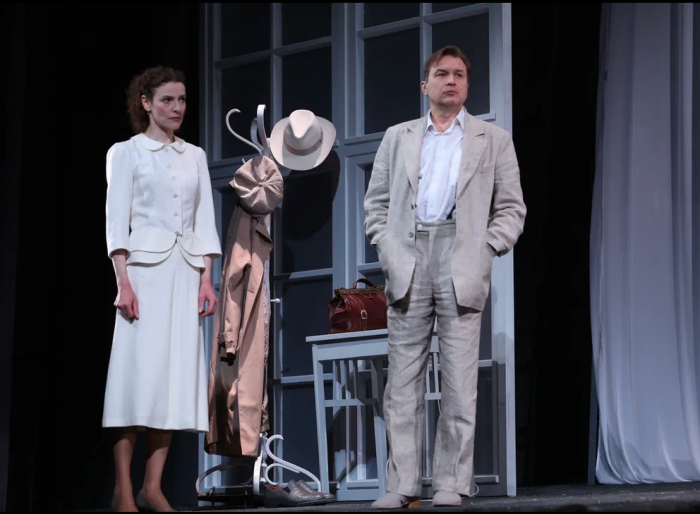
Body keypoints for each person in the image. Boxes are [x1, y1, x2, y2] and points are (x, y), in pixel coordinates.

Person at [364, 45, 526, 509]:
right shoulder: (398, 136)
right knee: (403, 381)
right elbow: (376, 203)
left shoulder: (492, 139)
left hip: (461, 256)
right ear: (425, 85)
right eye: (441, 74)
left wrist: (485, 248)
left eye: (458, 74)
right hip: (409, 255)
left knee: (459, 381)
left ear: (467, 85)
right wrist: (388, 248)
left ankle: (450, 482)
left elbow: (511, 208)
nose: (450, 80)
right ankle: (402, 484)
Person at [102, 66, 222, 512]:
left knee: (172, 381)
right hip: (144, 275)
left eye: (182, 100)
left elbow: (203, 220)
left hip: (185, 273)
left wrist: (206, 278)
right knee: (135, 379)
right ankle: (123, 489)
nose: (177, 108)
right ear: (146, 103)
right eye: (168, 100)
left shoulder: (195, 155)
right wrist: (123, 283)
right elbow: (117, 222)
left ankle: (152, 488)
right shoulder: (126, 152)